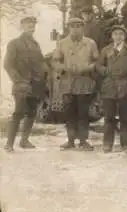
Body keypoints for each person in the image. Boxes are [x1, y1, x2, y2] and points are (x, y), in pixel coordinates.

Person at [52, 17, 100, 150]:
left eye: (78, 26)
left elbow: (97, 61)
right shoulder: (62, 43)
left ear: (82, 28)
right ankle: (71, 140)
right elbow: (55, 61)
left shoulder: (90, 43)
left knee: (83, 113)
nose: (75, 29)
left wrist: (87, 68)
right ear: (68, 28)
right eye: (72, 26)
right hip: (68, 83)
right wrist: (63, 68)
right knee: (70, 113)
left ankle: (83, 141)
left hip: (85, 82)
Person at [3, 16, 47, 152]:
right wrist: (19, 80)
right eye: (28, 24)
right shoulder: (14, 43)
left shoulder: (36, 44)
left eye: (33, 24)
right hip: (22, 85)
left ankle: (24, 140)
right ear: (22, 26)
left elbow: (40, 63)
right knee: (18, 113)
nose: (31, 27)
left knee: (32, 113)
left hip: (36, 85)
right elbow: (8, 64)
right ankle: (9, 143)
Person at [96, 25, 127, 153]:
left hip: (126, 87)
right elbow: (98, 65)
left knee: (125, 118)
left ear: (125, 36)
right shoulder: (106, 50)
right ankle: (107, 144)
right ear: (112, 36)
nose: (118, 37)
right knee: (109, 117)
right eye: (115, 34)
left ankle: (126, 144)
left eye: (121, 34)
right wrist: (106, 71)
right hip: (109, 87)